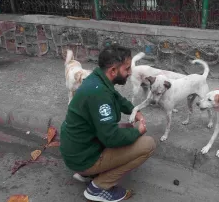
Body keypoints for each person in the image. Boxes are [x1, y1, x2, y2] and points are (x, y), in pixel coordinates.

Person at [59, 45, 156, 202]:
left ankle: (89, 173)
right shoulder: (99, 94)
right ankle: (98, 187)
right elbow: (111, 138)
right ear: (113, 71)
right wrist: (138, 131)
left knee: (126, 129)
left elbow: (117, 98)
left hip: (78, 150)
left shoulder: (96, 79)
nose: (130, 73)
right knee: (148, 144)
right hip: (82, 158)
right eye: (127, 69)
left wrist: (134, 110)